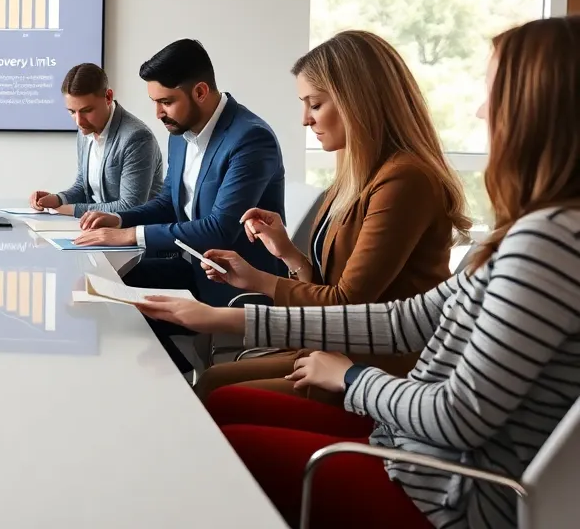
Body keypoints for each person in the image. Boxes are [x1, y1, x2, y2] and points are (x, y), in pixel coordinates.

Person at [134, 15, 580, 529]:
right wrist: (222, 320)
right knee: (222, 418)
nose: (481, 110)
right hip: (412, 452)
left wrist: (349, 376)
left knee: (223, 446)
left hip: (440, 492)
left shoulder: (545, 242)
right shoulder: (537, 231)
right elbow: (399, 319)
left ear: (536, 110)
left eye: (493, 91)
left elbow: (457, 415)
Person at [193, 30, 470, 402]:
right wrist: (288, 253)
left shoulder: (405, 179)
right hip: (334, 347)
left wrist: (260, 280)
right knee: (212, 381)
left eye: (315, 103)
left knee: (221, 395)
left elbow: (347, 302)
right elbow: (334, 286)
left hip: (377, 368)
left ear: (358, 102)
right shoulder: (355, 174)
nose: (305, 119)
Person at [73, 39, 286, 373]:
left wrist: (131, 235)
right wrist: (116, 219)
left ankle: (178, 381)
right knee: (96, 286)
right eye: (154, 102)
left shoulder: (250, 139)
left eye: (166, 102)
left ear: (200, 92)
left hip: (232, 285)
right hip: (193, 271)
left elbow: (219, 228)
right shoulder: (180, 133)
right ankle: (166, 374)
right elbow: (168, 203)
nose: (158, 113)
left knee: (119, 307)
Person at [27, 62, 164, 217]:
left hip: (132, 232)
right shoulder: (86, 130)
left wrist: (72, 210)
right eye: (72, 111)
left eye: (87, 110)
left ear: (108, 97)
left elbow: (130, 206)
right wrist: (58, 199)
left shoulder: (137, 138)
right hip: (98, 227)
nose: (79, 121)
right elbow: (83, 186)